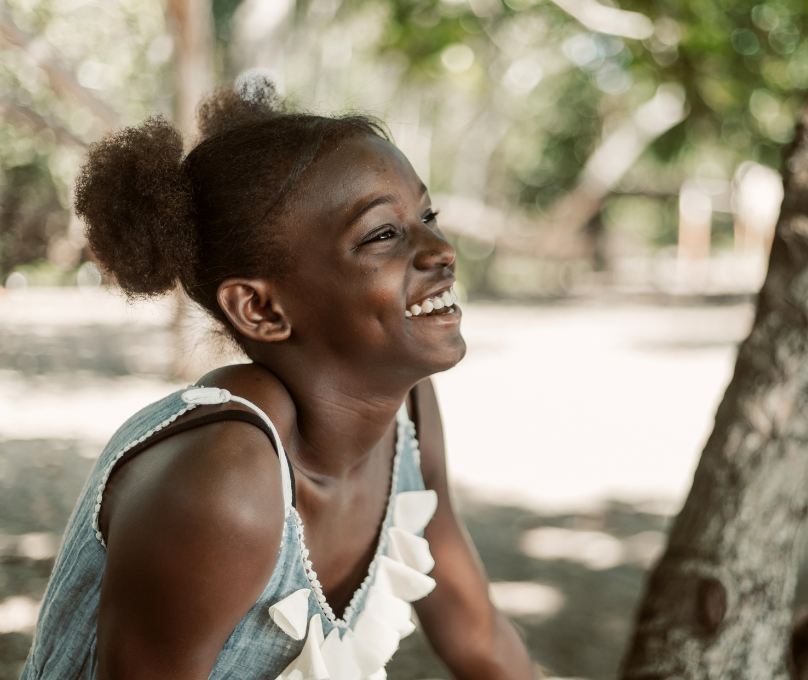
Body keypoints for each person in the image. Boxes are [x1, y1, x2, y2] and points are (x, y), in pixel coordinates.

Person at [20, 75, 535, 680]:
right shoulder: (222, 479)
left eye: (427, 215)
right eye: (382, 235)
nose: (441, 249)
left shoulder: (409, 410)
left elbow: (477, 636)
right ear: (261, 310)